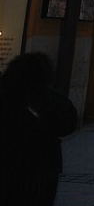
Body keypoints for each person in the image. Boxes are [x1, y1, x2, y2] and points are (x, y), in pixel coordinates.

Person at [0, 52, 78, 206]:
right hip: (42, 168)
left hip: (13, 166)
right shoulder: (50, 99)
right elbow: (68, 123)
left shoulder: (8, 96)